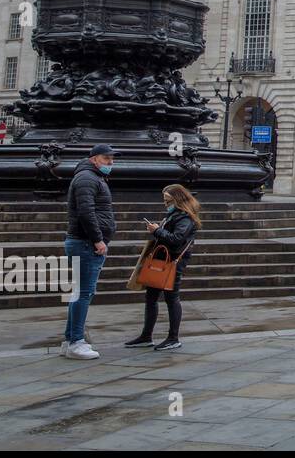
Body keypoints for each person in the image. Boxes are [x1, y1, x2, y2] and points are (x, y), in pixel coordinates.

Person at [126, 184, 199, 352]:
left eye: (168, 201)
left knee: (171, 298)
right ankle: (146, 336)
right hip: (161, 262)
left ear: (178, 199)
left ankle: (173, 338)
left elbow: (176, 239)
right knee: (151, 297)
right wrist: (158, 229)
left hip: (173, 262)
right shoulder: (174, 215)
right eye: (165, 201)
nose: (166, 204)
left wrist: (157, 231)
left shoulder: (185, 217)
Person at [63, 143, 117, 360]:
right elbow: (86, 212)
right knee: (83, 293)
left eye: (112, 159)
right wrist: (98, 240)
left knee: (80, 292)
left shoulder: (92, 177)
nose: (111, 162)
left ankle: (70, 340)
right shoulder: (87, 178)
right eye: (106, 158)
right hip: (86, 243)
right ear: (94, 159)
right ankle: (76, 342)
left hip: (84, 242)